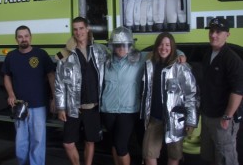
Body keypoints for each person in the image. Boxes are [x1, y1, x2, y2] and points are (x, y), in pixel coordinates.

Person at [100, 27, 187, 165]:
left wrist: (180, 55)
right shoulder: (106, 61)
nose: (121, 48)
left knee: (121, 145)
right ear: (112, 46)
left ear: (130, 44)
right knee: (115, 144)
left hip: (128, 110)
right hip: (107, 109)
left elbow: (165, 52)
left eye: (125, 44)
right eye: (117, 45)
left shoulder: (140, 58)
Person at [54, 17, 108, 165]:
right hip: (73, 108)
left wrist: (179, 56)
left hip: (93, 107)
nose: (78, 32)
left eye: (81, 28)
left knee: (90, 141)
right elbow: (59, 83)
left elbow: (120, 55)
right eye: (75, 29)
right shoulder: (64, 54)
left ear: (87, 28)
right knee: (68, 143)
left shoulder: (100, 50)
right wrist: (60, 107)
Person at [140, 32, 199, 165]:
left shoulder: (180, 67)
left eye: (167, 45)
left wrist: (191, 120)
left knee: (174, 155)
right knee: (148, 153)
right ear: (156, 47)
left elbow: (191, 95)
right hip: (154, 119)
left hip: (175, 120)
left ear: (172, 48)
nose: (163, 48)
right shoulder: (150, 65)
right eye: (160, 44)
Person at [2, 25, 56, 165]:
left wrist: (54, 98)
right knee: (21, 142)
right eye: (20, 37)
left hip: (38, 105)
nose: (23, 39)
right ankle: (22, 162)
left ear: (31, 37)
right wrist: (10, 94)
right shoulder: (11, 56)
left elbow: (51, 75)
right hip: (19, 106)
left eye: (26, 36)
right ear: (16, 40)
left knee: (38, 140)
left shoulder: (41, 54)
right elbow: (6, 76)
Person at [200, 17, 243, 165]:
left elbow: (238, 91)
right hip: (207, 116)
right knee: (210, 157)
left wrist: (227, 116)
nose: (213, 35)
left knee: (226, 158)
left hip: (222, 119)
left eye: (218, 32)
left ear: (227, 35)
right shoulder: (208, 54)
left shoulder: (232, 59)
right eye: (212, 31)